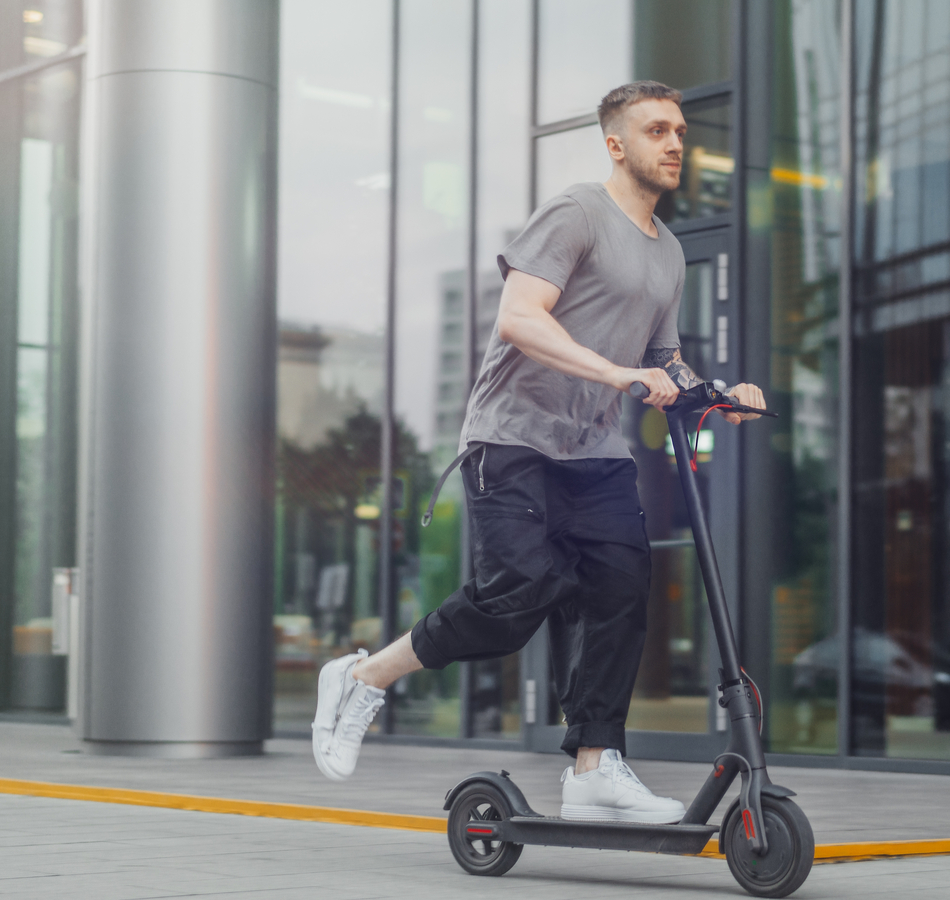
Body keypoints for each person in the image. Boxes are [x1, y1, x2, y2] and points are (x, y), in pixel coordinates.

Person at [311, 81, 765, 824]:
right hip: (512, 439)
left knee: (620, 590)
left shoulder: (671, 253)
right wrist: (617, 372)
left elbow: (664, 359)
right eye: (657, 130)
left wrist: (716, 394)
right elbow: (521, 319)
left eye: (680, 130)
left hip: (593, 451)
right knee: (521, 592)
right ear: (617, 144)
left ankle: (594, 766)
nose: (676, 142)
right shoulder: (578, 212)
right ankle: (364, 675)